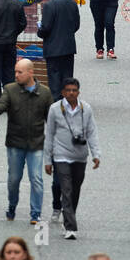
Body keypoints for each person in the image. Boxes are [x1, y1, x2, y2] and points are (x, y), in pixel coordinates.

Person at [0, 58, 52, 224]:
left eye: (20, 72)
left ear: (30, 73)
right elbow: (1, 106)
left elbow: (52, 119)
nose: (16, 75)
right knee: (14, 179)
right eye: (15, 71)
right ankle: (12, 205)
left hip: (36, 143)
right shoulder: (10, 89)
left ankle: (36, 213)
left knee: (36, 178)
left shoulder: (45, 93)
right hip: (15, 143)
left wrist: (57, 141)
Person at [43, 77, 101, 240]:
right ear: (62, 92)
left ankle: (69, 216)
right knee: (66, 189)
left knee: (75, 189)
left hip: (80, 156)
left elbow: (92, 132)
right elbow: (50, 135)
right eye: (67, 90)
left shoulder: (86, 109)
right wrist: (48, 159)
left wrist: (96, 154)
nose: (71, 93)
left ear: (78, 92)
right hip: (61, 155)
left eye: (74, 90)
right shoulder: (55, 109)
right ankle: (70, 227)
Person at [37, 0, 80, 93]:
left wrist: (39, 31)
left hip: (53, 48)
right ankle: (69, 104)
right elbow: (76, 25)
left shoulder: (49, 6)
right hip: (68, 47)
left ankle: (57, 106)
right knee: (67, 80)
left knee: (55, 83)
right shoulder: (72, 3)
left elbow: (45, 28)